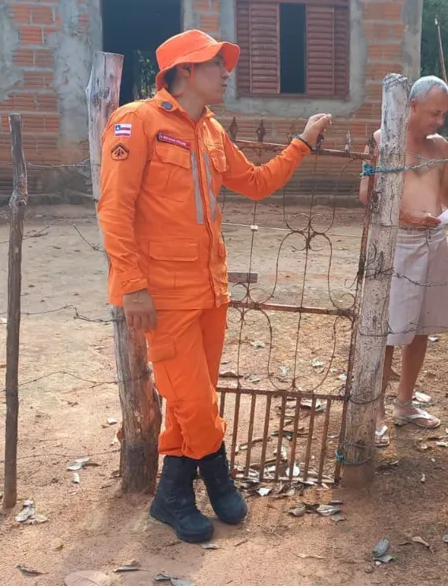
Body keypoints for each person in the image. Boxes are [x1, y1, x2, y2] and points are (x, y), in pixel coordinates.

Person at [96, 29, 332, 544]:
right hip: (161, 295)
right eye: (214, 64)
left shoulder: (209, 131)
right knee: (196, 400)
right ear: (182, 73)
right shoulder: (137, 122)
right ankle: (218, 477)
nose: (226, 72)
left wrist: (301, 143)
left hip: (209, 288)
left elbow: (256, 182)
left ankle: (171, 497)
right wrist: (132, 286)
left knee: (188, 399)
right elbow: (114, 209)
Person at [359, 75, 448, 446]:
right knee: (387, 329)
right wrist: (406, 216)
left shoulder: (440, 147)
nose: (438, 121)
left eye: (443, 114)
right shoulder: (383, 141)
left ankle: (405, 403)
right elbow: (366, 194)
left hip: (433, 240)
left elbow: (447, 192)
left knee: (420, 328)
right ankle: (376, 409)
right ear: (411, 106)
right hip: (396, 243)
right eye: (433, 113)